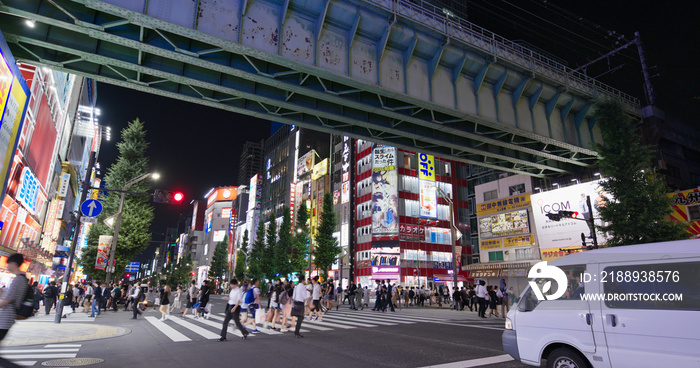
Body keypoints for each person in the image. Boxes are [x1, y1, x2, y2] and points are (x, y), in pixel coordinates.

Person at [0, 254, 30, 368]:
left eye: (8, 264)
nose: (7, 266)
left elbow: (8, 300)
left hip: (4, 319)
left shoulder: (18, 280)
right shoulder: (21, 279)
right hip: (6, 318)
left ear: (13, 263)